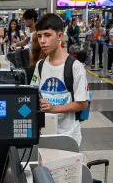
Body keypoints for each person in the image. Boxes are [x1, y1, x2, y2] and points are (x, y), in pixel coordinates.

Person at [31, 13, 89, 147]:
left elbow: (82, 104)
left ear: (59, 36)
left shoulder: (75, 67)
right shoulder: (40, 66)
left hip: (68, 136)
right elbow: (33, 93)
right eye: (39, 36)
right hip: (43, 133)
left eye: (47, 35)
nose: (42, 41)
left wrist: (53, 108)